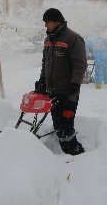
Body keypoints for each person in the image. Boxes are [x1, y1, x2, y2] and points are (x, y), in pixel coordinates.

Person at [35, 8, 87, 155]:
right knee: (58, 126)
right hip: (53, 92)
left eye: (48, 22)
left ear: (57, 22)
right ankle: (67, 156)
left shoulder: (73, 39)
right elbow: (46, 63)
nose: (46, 26)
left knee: (66, 128)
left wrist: (75, 84)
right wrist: (42, 81)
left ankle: (78, 155)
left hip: (68, 92)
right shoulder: (48, 40)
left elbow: (80, 64)